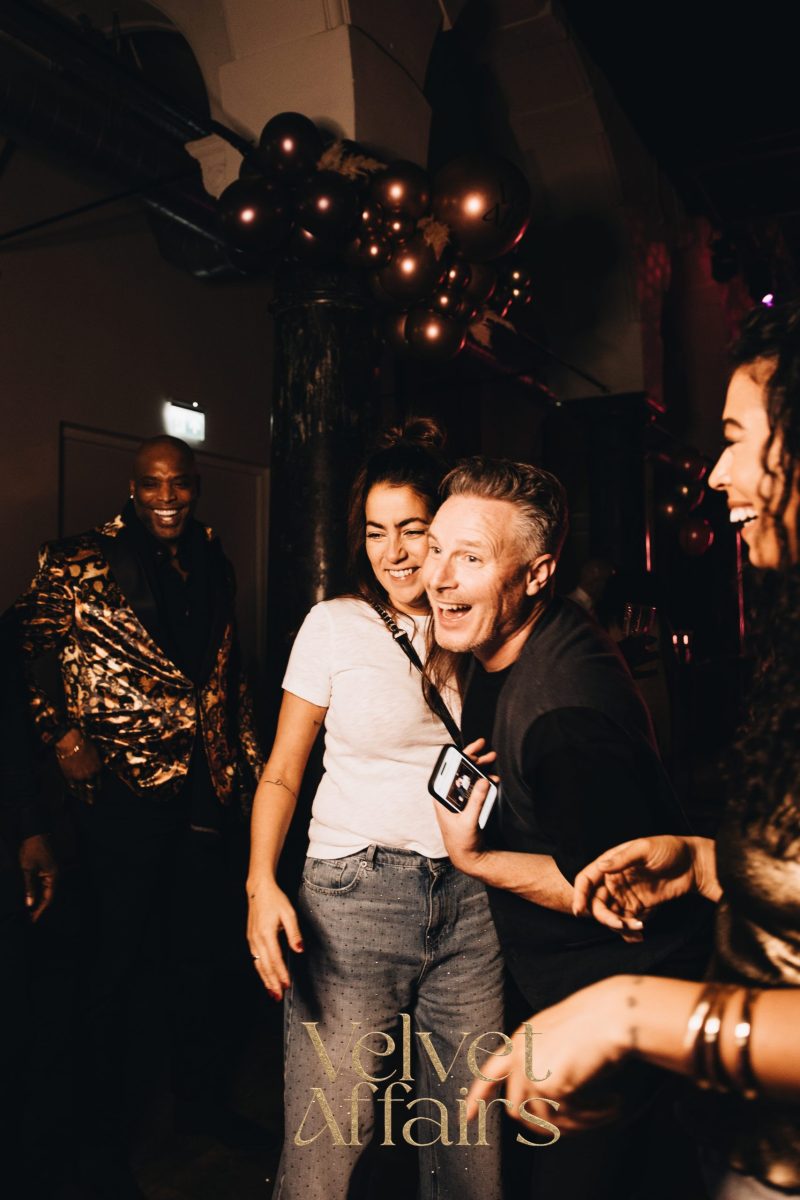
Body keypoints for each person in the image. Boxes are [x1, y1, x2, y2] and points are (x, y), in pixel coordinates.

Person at [465, 301, 800, 1198]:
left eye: (737, 439)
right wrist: (704, 863)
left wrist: (629, 1014)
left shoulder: (559, 708)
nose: (716, 473)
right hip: (746, 1143)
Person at [421, 458, 712, 1198]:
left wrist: (476, 857)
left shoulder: (563, 721)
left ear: (538, 574)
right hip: (571, 997)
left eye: (471, 558)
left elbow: (627, 900)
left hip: (628, 1012)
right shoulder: (507, 636)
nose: (438, 577)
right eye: (435, 549)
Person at [246, 420, 505, 1200]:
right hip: (354, 902)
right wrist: (261, 884)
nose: (394, 552)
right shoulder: (335, 625)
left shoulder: (480, 628)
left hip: (472, 902)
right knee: (329, 1139)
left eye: (413, 529)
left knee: (470, 1140)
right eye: (375, 532)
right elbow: (283, 771)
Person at [13, 435, 264, 1199]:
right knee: (114, 968)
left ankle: (199, 1108)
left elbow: (225, 673)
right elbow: (31, 655)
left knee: (198, 958)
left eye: (179, 484)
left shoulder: (213, 558)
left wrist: (247, 769)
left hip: (202, 792)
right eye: (152, 484)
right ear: (133, 487)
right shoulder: (75, 560)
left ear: (195, 487)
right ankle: (102, 1141)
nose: (166, 497)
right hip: (117, 791)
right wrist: (63, 738)